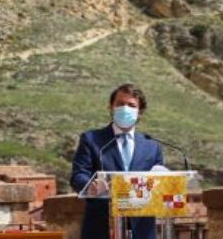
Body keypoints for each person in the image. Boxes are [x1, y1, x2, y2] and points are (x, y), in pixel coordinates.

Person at [70, 84, 165, 239]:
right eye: (120, 104)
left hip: (142, 230)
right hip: (101, 228)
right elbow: (78, 174)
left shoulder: (151, 146)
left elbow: (160, 182)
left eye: (131, 105)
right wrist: (89, 186)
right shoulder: (92, 139)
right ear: (111, 107)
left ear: (140, 112)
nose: (125, 109)